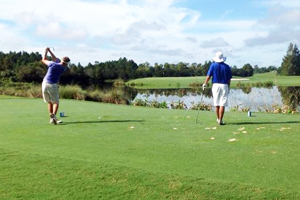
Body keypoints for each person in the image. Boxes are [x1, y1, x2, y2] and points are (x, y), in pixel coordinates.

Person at [42, 47, 70, 125]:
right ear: (67, 63)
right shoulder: (63, 68)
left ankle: (52, 118)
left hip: (44, 84)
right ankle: (53, 116)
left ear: (61, 60)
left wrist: (46, 52)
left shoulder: (52, 64)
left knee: (49, 102)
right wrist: (50, 51)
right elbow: (55, 58)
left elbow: (43, 60)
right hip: (52, 85)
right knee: (56, 102)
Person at [202, 52, 232, 125]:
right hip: (224, 85)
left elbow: (208, 76)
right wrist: (228, 87)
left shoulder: (213, 65)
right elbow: (229, 79)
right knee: (222, 104)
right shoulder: (227, 67)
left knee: (217, 103)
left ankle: (218, 118)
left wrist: (205, 83)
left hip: (215, 85)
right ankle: (220, 120)